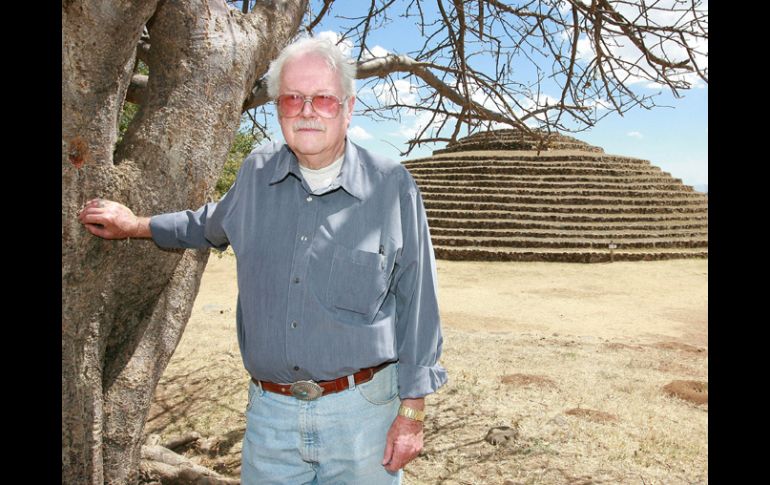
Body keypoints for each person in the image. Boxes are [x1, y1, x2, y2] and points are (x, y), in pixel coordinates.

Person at [78, 36, 447, 485]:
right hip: (271, 421)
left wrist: (412, 412)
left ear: (348, 109)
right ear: (278, 109)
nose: (307, 110)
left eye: (324, 100)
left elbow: (418, 302)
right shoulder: (256, 173)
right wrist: (135, 224)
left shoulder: (393, 187)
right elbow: (209, 223)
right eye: (293, 98)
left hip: (363, 419)